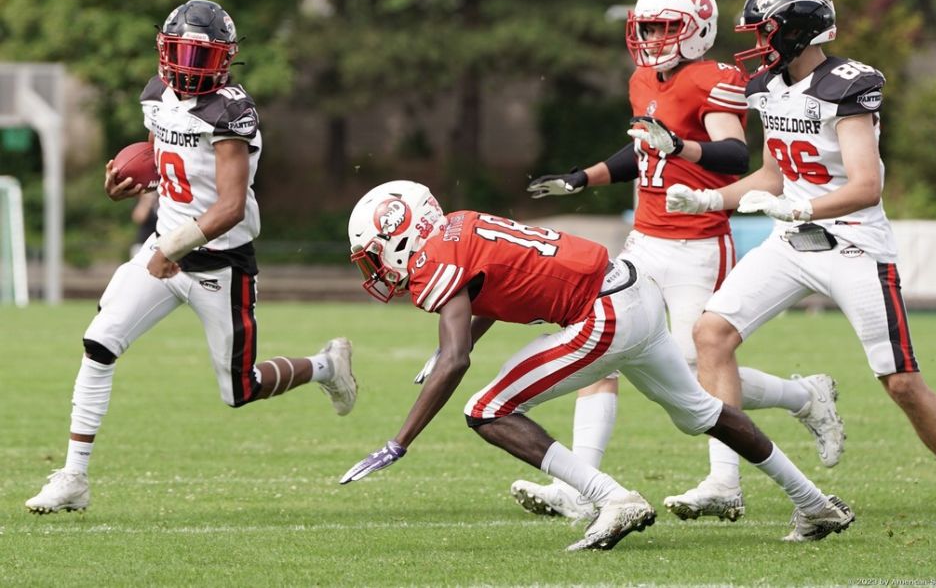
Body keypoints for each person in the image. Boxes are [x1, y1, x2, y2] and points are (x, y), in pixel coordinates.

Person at [665, 0, 936, 534]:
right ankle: (724, 481)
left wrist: (802, 211)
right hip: (791, 242)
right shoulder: (766, 87)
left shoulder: (848, 86)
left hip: (852, 242)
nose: (757, 42)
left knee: (901, 383)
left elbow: (866, 185)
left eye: (764, 30)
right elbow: (774, 177)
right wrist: (708, 197)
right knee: (711, 335)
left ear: (795, 30)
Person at [339, 180, 854, 550]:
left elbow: (458, 360)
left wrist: (399, 441)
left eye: (373, 255)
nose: (377, 267)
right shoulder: (457, 226)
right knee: (701, 411)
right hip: (631, 286)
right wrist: (446, 348)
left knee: (484, 409)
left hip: (602, 312)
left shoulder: (433, 258)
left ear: (399, 232)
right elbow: (485, 294)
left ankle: (609, 497)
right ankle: (813, 503)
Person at [504, 0, 844, 524]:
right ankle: (580, 487)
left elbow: (734, 154)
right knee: (601, 349)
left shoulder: (713, 78)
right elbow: (643, 152)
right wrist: (581, 178)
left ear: (696, 30)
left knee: (694, 367)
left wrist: (680, 144)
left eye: (665, 27)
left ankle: (778, 422)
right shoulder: (644, 78)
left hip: (697, 244)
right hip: (645, 242)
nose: (654, 38)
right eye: (648, 27)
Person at [25, 0, 358, 514]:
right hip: (163, 248)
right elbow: (169, 162)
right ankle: (73, 476)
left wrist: (171, 249)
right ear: (164, 48)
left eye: (202, 56)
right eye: (182, 52)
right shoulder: (156, 94)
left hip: (219, 264)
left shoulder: (231, 111)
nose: (189, 65)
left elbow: (227, 207)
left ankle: (325, 367)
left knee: (239, 390)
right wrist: (135, 187)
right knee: (99, 345)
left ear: (224, 60)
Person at [129, 191, 158, 257]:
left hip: (161, 246)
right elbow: (139, 218)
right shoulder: (143, 202)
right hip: (143, 244)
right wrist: (147, 200)